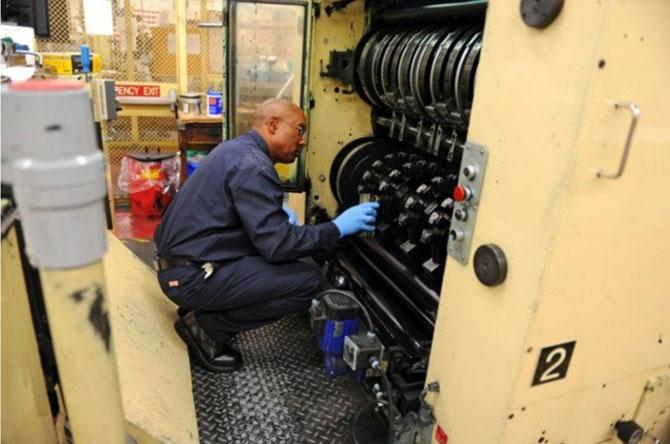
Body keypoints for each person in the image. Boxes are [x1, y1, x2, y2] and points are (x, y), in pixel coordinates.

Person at [153, 98, 379, 373]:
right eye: (299, 130)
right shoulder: (255, 166)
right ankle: (206, 328)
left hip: (181, 267)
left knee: (288, 264)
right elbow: (278, 247)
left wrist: (276, 215)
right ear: (272, 125)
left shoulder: (235, 150)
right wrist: (337, 228)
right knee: (308, 281)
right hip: (191, 279)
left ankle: (202, 309)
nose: (303, 141)